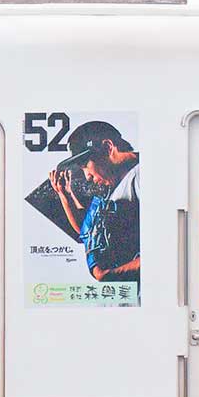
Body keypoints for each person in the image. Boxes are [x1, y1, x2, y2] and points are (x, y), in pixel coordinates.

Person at [49, 120, 141, 283]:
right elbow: (87, 231)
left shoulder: (141, 175)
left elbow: (164, 249)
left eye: (85, 165)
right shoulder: (110, 186)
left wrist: (112, 273)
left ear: (107, 148)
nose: (87, 176)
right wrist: (65, 195)